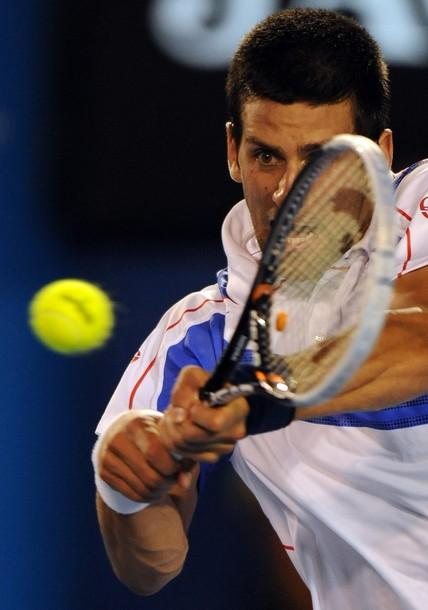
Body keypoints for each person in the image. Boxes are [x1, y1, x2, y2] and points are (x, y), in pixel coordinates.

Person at [92, 8, 428, 609]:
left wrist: (260, 395)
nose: (288, 190)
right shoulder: (197, 340)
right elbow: (152, 566)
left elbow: (418, 336)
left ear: (380, 156)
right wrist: (131, 486)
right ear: (233, 151)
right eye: (267, 156)